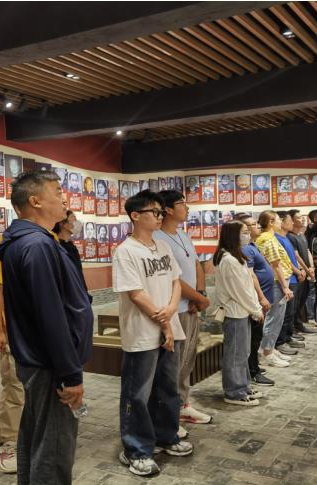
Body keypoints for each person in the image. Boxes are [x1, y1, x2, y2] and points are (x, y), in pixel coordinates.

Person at [0, 171, 93, 484]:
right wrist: (70, 373)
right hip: (50, 364)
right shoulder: (37, 246)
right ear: (35, 201)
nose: (64, 198)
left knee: (38, 438)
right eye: (57, 192)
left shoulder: (35, 242)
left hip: (42, 360)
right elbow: (51, 315)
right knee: (53, 449)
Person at [112, 190, 193, 476]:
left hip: (169, 325)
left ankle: (166, 435)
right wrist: (164, 322)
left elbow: (175, 281)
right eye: (154, 212)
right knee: (137, 394)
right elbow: (135, 293)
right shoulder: (125, 251)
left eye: (161, 212)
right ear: (135, 216)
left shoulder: (162, 246)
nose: (160, 216)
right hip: (142, 332)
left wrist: (171, 310)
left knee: (167, 388)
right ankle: (136, 449)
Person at [154, 190, 212, 431]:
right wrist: (196, 297)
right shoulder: (158, 238)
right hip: (174, 308)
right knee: (172, 364)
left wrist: (200, 293)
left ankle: (182, 404)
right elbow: (171, 277)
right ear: (167, 209)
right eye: (181, 204)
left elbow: (196, 264)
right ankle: (168, 412)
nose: (187, 208)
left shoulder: (182, 234)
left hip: (191, 305)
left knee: (187, 359)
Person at [0, 224, 25, 474]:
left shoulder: (52, 240)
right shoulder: (4, 243)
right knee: (14, 387)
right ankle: (9, 441)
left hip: (44, 333)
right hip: (15, 332)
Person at [212, 221, 265, 405]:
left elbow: (246, 286)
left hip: (242, 311)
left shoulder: (236, 257)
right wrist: (256, 309)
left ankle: (243, 385)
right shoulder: (228, 260)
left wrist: (253, 308)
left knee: (243, 352)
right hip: (235, 313)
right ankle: (234, 392)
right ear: (233, 235)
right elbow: (240, 291)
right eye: (244, 232)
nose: (248, 235)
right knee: (235, 354)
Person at [236, 214, 274, 386]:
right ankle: (253, 371)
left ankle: (254, 366)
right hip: (255, 299)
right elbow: (250, 275)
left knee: (257, 336)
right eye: (251, 225)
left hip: (260, 298)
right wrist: (261, 297)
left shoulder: (252, 245)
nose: (257, 226)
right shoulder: (244, 249)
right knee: (253, 338)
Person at [254, 210, 294, 368]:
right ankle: (266, 351)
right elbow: (275, 265)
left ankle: (269, 347)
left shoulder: (270, 237)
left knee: (277, 318)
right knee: (274, 318)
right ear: (270, 222)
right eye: (278, 220)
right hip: (277, 283)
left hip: (279, 282)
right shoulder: (267, 239)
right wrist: (285, 286)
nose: (280, 223)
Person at [273, 211, 306, 355]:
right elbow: (282, 262)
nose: (292, 222)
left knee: (290, 312)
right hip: (287, 279)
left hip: (293, 278)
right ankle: (280, 342)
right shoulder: (276, 238)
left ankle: (288, 337)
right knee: (284, 314)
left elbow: (293, 257)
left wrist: (301, 270)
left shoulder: (286, 237)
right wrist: (298, 271)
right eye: (289, 220)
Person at [286, 209, 317, 334]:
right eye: (298, 217)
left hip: (307, 272)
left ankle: (299, 324)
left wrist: (311, 267)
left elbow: (308, 251)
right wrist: (303, 270)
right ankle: (293, 327)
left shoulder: (301, 235)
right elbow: (295, 256)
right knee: (295, 303)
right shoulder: (290, 236)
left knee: (302, 300)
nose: (302, 219)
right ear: (292, 221)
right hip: (298, 274)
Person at [53, 210, 93, 303]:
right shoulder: (56, 246)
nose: (77, 223)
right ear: (63, 224)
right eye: (74, 219)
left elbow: (78, 273)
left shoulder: (70, 245)